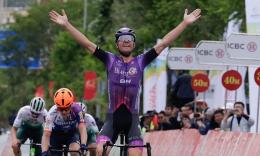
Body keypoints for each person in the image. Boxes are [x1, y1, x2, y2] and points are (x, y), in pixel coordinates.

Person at [49, 8, 201, 156]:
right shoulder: (110, 60)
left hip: (132, 122)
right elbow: (87, 44)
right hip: (112, 121)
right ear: (117, 44)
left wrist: (184, 23)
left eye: (130, 39)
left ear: (134, 44)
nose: (126, 42)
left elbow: (163, 44)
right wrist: (67, 25)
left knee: (135, 153)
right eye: (122, 40)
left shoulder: (141, 61)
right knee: (100, 151)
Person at [41, 88, 87, 156]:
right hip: (56, 135)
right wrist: (44, 152)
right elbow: (46, 134)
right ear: (57, 106)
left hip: (71, 134)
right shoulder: (51, 113)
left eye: (66, 109)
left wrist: (83, 144)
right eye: (61, 109)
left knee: (75, 152)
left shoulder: (77, 110)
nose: (64, 112)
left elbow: (82, 128)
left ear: (71, 105)